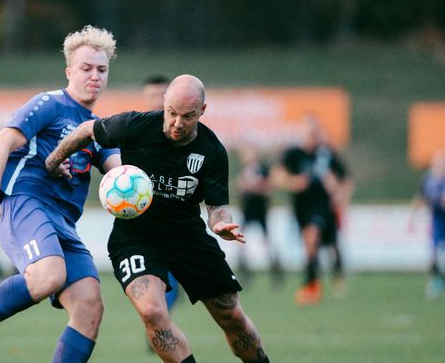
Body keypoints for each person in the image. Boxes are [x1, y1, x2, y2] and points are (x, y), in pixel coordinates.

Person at [0, 25, 121, 363]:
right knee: (48, 276)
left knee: (90, 307)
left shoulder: (100, 129)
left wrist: (134, 183)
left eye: (101, 70)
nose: (95, 76)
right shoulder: (50, 104)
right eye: (86, 68)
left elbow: (120, 172)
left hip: (63, 222)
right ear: (69, 71)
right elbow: (2, 142)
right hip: (23, 202)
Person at [46, 74, 270, 363]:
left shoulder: (212, 150)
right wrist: (52, 162)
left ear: (202, 111)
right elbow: (87, 129)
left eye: (188, 116)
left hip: (187, 235)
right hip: (134, 237)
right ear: (164, 103)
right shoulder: (135, 126)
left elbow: (217, 206)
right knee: (152, 311)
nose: (177, 123)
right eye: (172, 113)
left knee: (231, 314)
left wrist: (219, 224)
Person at [274, 115, 351, 305]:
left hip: (323, 207)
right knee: (312, 246)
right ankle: (315, 282)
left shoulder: (326, 155)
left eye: (315, 132)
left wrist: (339, 195)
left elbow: (345, 180)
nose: (312, 136)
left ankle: (313, 284)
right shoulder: (293, 154)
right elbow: (277, 177)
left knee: (317, 239)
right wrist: (294, 182)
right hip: (301, 207)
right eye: (309, 132)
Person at [141, 74, 183, 325]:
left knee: (175, 287)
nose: (156, 101)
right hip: (144, 223)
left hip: (176, 221)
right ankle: (158, 324)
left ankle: (159, 322)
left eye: (161, 95)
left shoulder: (185, 133)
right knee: (155, 281)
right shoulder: (134, 131)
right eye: (151, 96)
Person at [235, 146, 281, 287]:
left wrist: (254, 187)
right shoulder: (244, 170)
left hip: (260, 209)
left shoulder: (262, 169)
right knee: (241, 241)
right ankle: (245, 273)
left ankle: (276, 271)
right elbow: (240, 186)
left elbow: (268, 187)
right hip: (248, 209)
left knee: (267, 242)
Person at [411, 150, 445, 299]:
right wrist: (413, 215)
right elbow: (421, 197)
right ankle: (437, 281)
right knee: (433, 254)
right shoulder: (428, 178)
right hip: (437, 221)